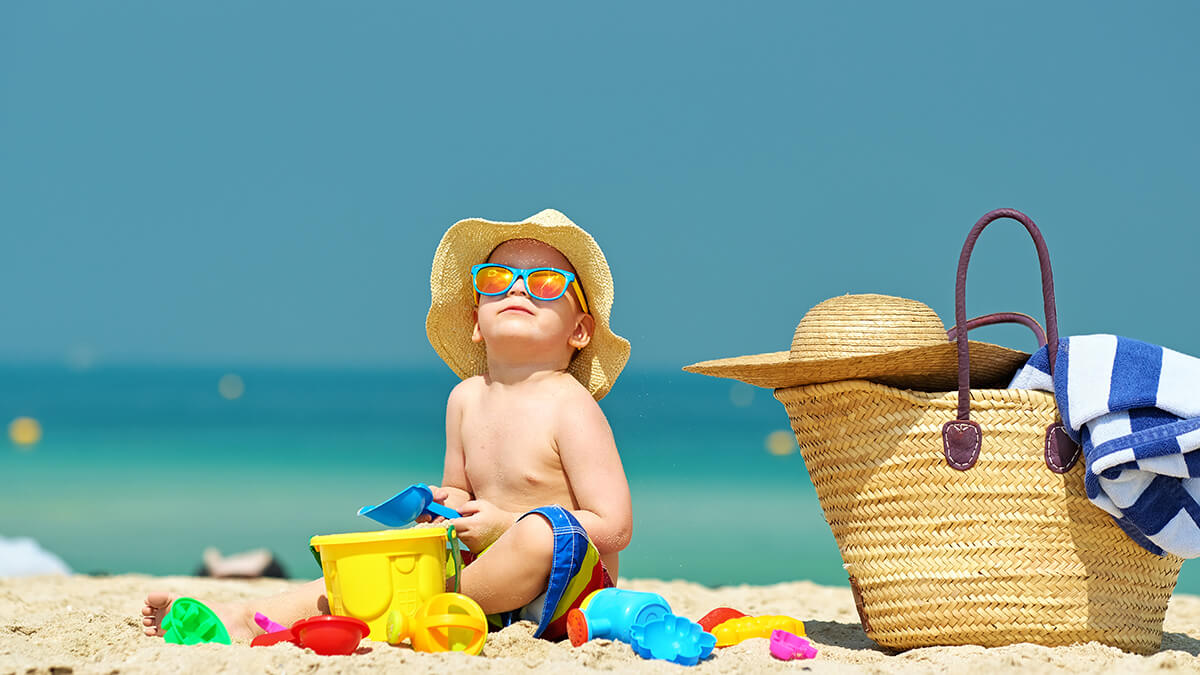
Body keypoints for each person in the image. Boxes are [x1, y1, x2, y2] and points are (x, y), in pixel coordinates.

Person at [142, 209, 633, 642]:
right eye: (496, 278)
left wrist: (509, 527)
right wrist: (441, 504)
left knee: (541, 533)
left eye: (545, 283)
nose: (518, 288)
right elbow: (461, 491)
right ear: (476, 322)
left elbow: (614, 525)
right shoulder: (465, 399)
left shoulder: (571, 405)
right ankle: (244, 619)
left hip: (566, 593)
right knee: (380, 556)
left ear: (579, 330)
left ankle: (410, 602)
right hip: (481, 589)